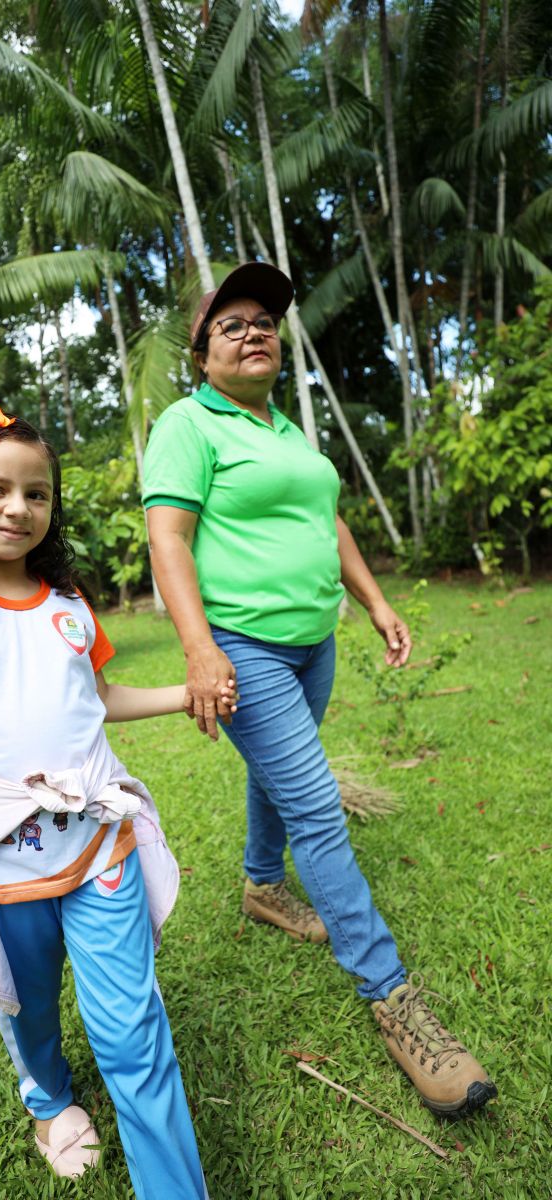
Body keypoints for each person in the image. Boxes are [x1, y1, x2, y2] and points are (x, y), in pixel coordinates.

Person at [142, 262, 496, 1121]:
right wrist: (198, 649)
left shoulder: (290, 433)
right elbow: (170, 540)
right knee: (317, 806)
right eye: (232, 324)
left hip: (313, 644)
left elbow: (326, 521)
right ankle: (394, 998)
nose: (255, 330)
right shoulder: (189, 425)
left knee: (279, 778)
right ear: (201, 352)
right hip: (244, 648)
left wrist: (375, 603)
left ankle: (263, 885)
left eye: (266, 320)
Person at [0, 394, 224, 1196]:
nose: (18, 507)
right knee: (28, 1006)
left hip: (99, 845)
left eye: (37, 493)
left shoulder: (69, 608)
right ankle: (49, 1098)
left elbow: (96, 697)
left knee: (133, 1032)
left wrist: (185, 691)